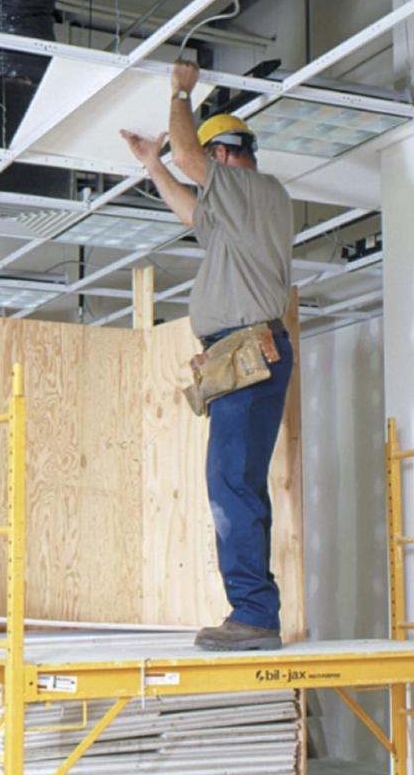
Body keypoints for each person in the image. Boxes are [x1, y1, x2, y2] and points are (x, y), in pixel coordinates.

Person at [121, 60, 294, 651]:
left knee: (230, 486)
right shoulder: (234, 214)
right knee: (237, 483)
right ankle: (254, 610)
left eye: (205, 160)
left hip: (249, 350)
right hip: (238, 354)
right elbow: (188, 207)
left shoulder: (255, 190)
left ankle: (253, 615)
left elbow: (191, 164)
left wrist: (180, 92)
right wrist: (152, 163)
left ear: (223, 156)